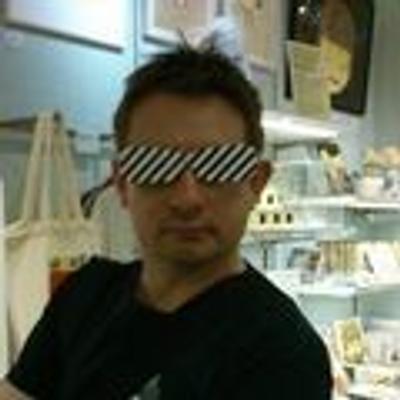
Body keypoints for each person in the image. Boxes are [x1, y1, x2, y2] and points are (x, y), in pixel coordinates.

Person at [0, 45, 332, 399]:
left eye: (219, 168)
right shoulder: (86, 293)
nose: (187, 199)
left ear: (256, 183)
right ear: (122, 184)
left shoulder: (284, 352)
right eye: (155, 167)